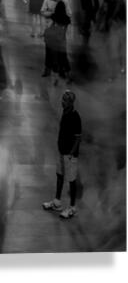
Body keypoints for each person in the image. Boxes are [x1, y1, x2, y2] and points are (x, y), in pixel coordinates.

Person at [42, 90, 82, 220]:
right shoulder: (65, 113)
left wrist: (71, 153)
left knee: (71, 180)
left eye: (65, 100)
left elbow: (77, 138)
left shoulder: (75, 117)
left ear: (71, 102)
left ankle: (72, 208)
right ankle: (57, 202)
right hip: (61, 151)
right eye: (62, 99)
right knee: (59, 175)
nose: (62, 102)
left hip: (70, 154)